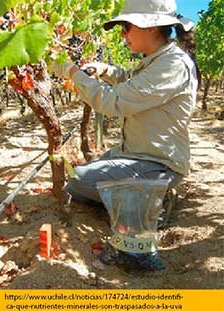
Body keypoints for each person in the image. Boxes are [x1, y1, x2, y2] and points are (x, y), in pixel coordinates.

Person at [52, 0, 200, 269]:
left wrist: (72, 72)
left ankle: (137, 245)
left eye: (126, 26)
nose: (122, 34)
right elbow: (132, 81)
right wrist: (106, 70)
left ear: (152, 27)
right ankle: (143, 198)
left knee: (80, 180)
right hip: (138, 156)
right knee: (77, 179)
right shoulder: (158, 60)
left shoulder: (173, 64)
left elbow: (114, 103)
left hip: (158, 163)